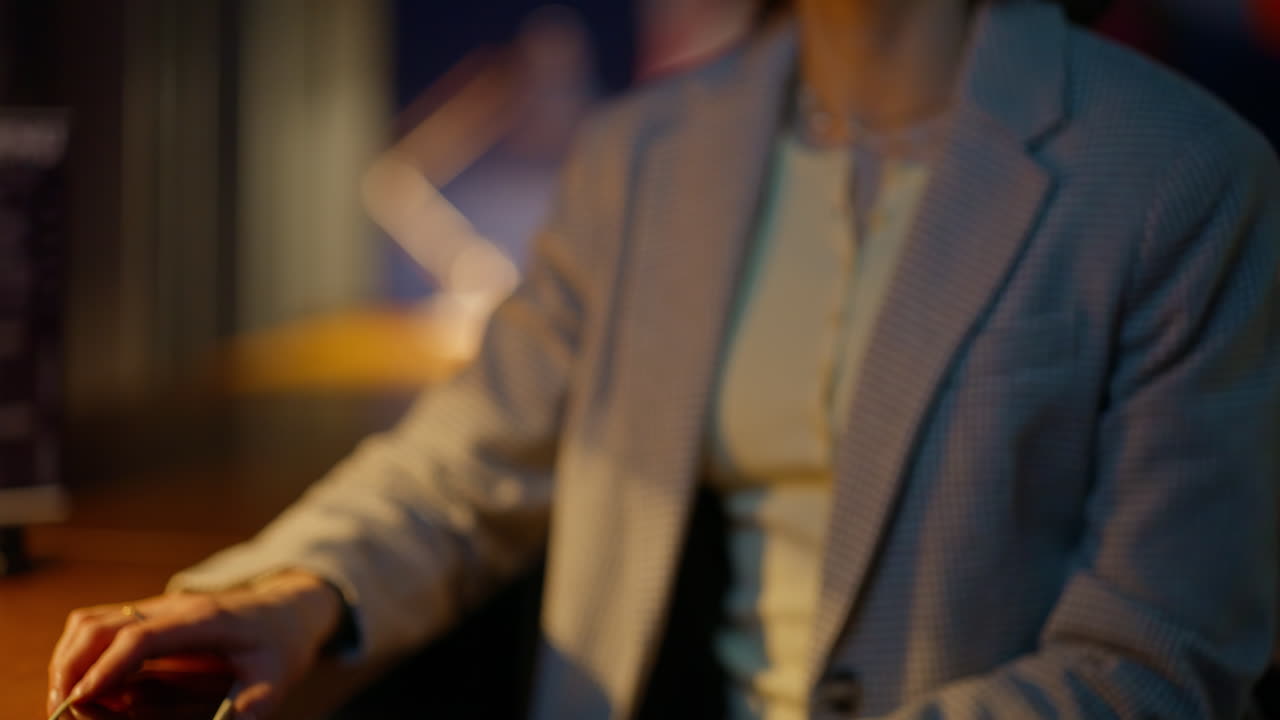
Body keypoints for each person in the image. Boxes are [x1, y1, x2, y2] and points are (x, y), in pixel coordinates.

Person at [48, 0, 1280, 717]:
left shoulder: (1179, 176)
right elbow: (472, 457)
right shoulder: (646, 154)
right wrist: (293, 587)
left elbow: (1157, 656)